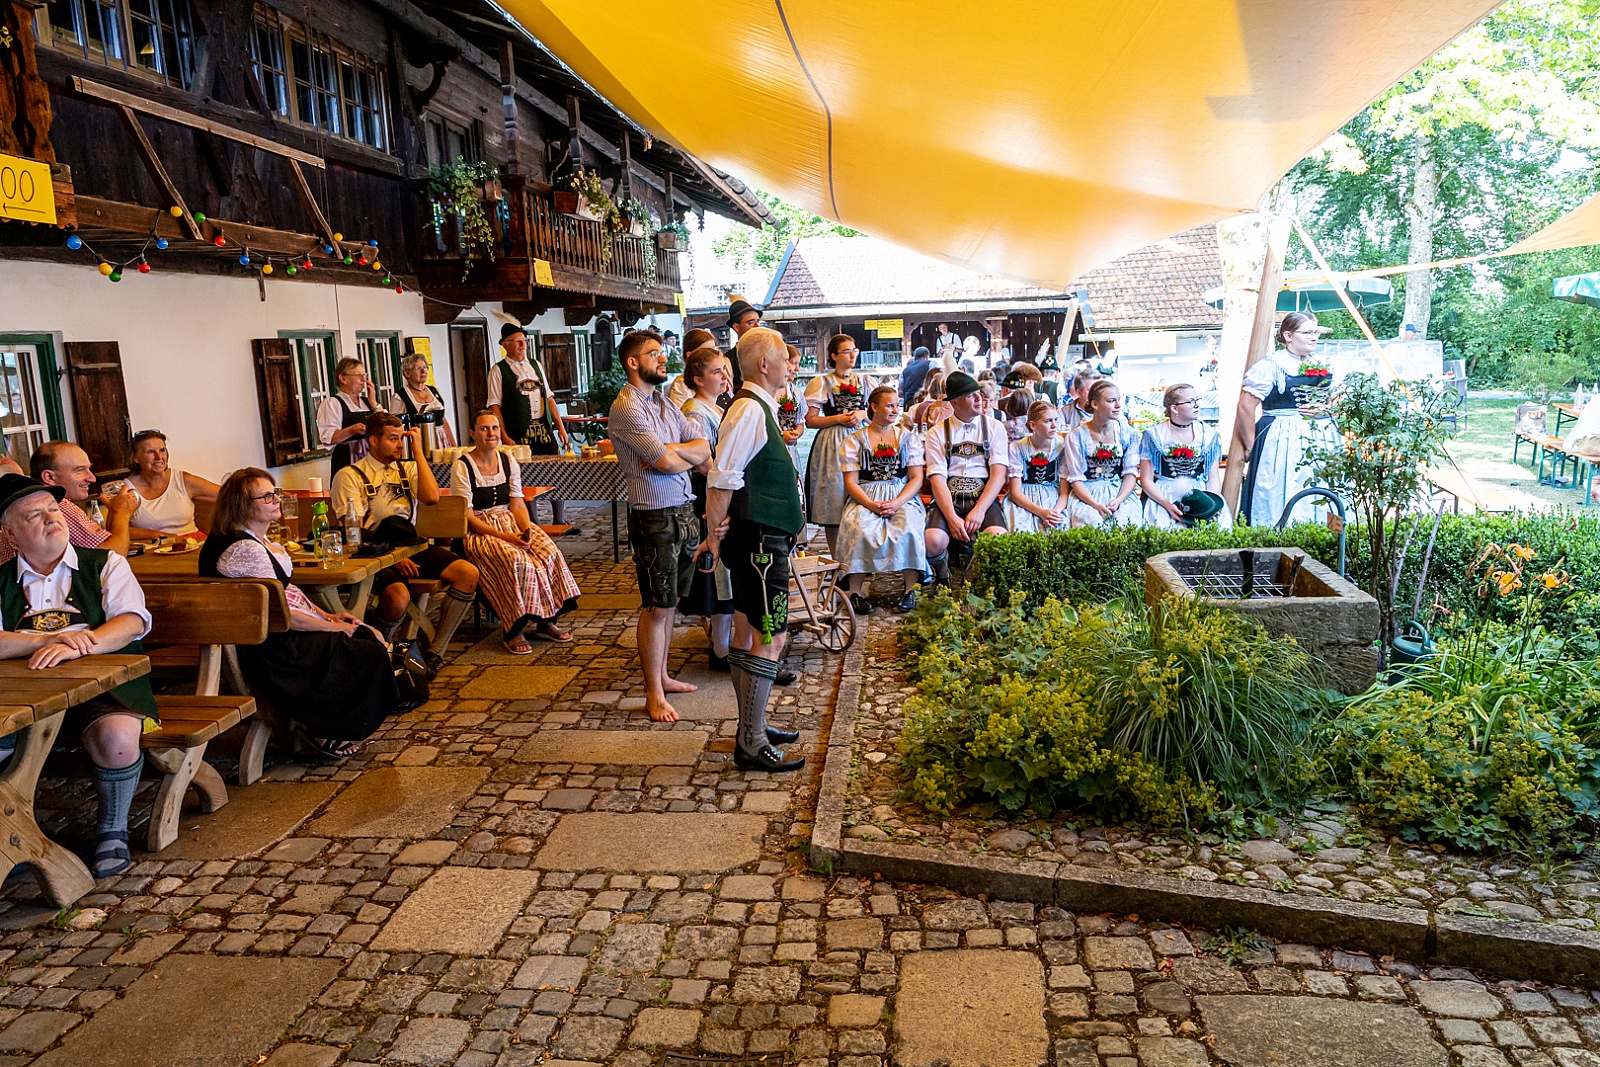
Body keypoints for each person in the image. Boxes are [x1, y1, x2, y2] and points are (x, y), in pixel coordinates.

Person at [0, 472, 155, 877]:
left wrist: (83, 643)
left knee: (116, 737)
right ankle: (10, 836)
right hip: (22, 693)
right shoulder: (0, 579)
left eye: (53, 508)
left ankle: (113, 829)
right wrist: (44, 641)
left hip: (105, 688)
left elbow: (131, 621)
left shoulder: (105, 563)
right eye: (34, 515)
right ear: (11, 533)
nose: (51, 518)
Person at [200, 469, 402, 759]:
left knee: (365, 636)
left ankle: (327, 723)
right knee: (365, 649)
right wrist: (334, 628)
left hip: (272, 633)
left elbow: (287, 593)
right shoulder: (244, 549)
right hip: (270, 648)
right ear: (242, 506)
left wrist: (329, 617)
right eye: (266, 496)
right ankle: (323, 729)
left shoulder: (253, 540)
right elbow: (281, 615)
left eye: (275, 492)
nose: (276, 499)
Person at [703, 327, 805, 773]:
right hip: (760, 544)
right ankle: (751, 741)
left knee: (747, 633)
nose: (790, 366)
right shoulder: (748, 409)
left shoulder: (756, 406)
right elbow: (722, 477)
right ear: (764, 364)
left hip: (758, 539)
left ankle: (754, 724)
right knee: (772, 636)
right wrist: (713, 534)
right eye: (783, 358)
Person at [608, 329, 714, 723]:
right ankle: (653, 693)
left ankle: (664, 676)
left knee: (671, 605)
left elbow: (704, 450)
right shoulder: (627, 407)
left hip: (683, 510)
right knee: (656, 605)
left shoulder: (664, 403)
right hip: (653, 516)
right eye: (654, 353)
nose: (663, 357)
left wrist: (671, 453)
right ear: (633, 362)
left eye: (662, 351)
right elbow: (668, 462)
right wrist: (674, 456)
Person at [330, 413, 480, 652]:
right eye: (393, 439)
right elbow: (354, 531)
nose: (400, 444)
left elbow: (431, 497)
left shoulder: (407, 468)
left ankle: (437, 650)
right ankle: (379, 648)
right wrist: (392, 556)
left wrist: (418, 451)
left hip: (410, 546)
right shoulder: (349, 475)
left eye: (402, 438)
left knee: (468, 574)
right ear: (373, 440)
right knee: (398, 597)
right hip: (372, 553)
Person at [451, 411, 580, 653]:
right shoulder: (463, 466)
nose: (491, 433)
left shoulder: (507, 460)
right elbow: (466, 516)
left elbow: (518, 504)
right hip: (480, 530)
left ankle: (546, 620)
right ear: (473, 433)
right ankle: (513, 628)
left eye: (494, 428)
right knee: (517, 560)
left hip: (509, 521)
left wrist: (526, 530)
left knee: (548, 552)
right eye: (484, 429)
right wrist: (505, 537)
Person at [1236, 310, 1335, 526]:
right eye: (1307, 332)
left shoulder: (1323, 363)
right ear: (1288, 336)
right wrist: (1252, 445)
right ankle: (1279, 533)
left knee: (1323, 486)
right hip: (1281, 438)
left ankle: (1326, 533)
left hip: (1321, 437)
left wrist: (1326, 409)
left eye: (1316, 332)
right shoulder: (1271, 366)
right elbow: (1245, 407)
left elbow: (1333, 401)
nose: (1314, 337)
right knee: (1282, 485)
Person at [836, 386, 926, 614]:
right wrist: (870, 505)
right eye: (890, 406)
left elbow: (916, 478)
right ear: (874, 407)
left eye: (897, 405)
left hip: (900, 494)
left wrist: (898, 502)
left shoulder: (907, 438)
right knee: (858, 528)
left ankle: (911, 588)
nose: (895, 410)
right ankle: (855, 591)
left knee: (909, 526)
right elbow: (851, 482)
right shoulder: (855, 440)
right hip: (866, 495)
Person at [677, 347, 736, 670]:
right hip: (708, 491)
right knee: (718, 573)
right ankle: (721, 650)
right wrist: (723, 488)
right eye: (716, 372)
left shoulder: (714, 407)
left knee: (726, 574)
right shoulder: (695, 412)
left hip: (718, 486)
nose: (723, 376)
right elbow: (702, 460)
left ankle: (724, 645)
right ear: (698, 379)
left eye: (723, 370)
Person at [923, 371, 1009, 585]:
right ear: (955, 402)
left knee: (998, 538)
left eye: (978, 393)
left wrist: (979, 510)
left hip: (983, 494)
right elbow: (937, 479)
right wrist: (951, 518)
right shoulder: (937, 433)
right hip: (948, 495)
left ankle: (970, 576)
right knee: (932, 541)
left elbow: (999, 474)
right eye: (971, 395)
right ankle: (942, 572)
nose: (979, 398)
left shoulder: (995, 427)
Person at [0, 442, 138, 563]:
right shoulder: (57, 506)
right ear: (49, 477)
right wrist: (121, 512)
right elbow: (112, 557)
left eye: (89, 468)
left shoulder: (19, 508)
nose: (92, 478)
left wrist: (115, 512)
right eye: (80, 470)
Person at [804, 334, 870, 551]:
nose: (852, 356)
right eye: (846, 351)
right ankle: (836, 556)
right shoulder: (822, 382)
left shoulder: (865, 381)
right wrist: (838, 419)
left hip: (861, 441)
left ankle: (859, 554)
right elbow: (810, 421)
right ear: (834, 356)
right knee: (834, 498)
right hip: (833, 443)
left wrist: (862, 414)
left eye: (854, 351)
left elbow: (879, 416)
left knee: (862, 494)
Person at [1140, 384, 1232, 529]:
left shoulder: (1207, 434)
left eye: (1197, 400)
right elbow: (1146, 479)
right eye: (1191, 401)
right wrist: (1166, 504)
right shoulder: (1154, 435)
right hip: (1165, 493)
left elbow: (1213, 477)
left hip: (1200, 493)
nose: (1197, 405)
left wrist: (1210, 504)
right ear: (1174, 408)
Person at [113, 430, 220, 539]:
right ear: (135, 458)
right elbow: (115, 530)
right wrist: (159, 535)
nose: (159, 457)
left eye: (162, 450)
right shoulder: (125, 489)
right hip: (152, 546)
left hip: (192, 542)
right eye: (150, 452)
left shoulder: (182, 480)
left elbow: (226, 495)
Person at [1066, 381, 1143, 528]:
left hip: (1120, 492)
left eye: (1119, 399)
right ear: (1095, 404)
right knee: (1091, 521)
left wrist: (1119, 500)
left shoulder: (1127, 433)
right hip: (1087, 494)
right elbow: (1076, 479)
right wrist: (1095, 504)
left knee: (1126, 520)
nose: (1118, 405)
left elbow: (1130, 474)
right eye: (1111, 401)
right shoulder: (1076, 436)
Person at [488, 322, 570, 456]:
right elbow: (494, 406)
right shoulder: (498, 370)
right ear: (505, 344)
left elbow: (549, 398)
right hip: (517, 435)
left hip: (545, 433)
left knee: (554, 466)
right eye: (517, 341)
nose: (523, 344)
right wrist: (503, 436)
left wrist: (561, 427)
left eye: (524, 340)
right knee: (523, 468)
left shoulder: (536, 365)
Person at [1004, 401, 1070, 533]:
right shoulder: (1017, 448)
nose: (1054, 425)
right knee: (1023, 530)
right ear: (1033, 425)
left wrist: (1055, 513)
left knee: (1060, 530)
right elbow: (1015, 492)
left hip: (1054, 498)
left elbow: (1064, 492)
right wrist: (1041, 512)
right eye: (1048, 421)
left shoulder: (1062, 448)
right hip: (1024, 499)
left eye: (1055, 420)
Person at [317, 357, 378, 478]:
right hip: (347, 459)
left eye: (364, 375)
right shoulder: (333, 403)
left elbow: (388, 426)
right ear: (343, 378)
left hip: (371, 458)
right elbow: (328, 438)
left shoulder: (368, 402)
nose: (364, 379)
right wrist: (352, 430)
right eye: (358, 375)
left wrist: (374, 404)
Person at [389, 352, 457, 459]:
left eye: (425, 367)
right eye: (418, 368)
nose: (423, 371)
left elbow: (443, 420)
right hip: (420, 444)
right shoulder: (400, 397)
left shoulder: (434, 391)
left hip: (442, 442)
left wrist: (454, 445)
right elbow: (395, 427)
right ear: (407, 373)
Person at [776, 345, 806, 471]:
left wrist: (796, 433)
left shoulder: (795, 393)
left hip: (790, 449)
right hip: (772, 447)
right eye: (794, 363)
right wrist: (781, 435)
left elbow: (800, 423)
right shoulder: (768, 391)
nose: (796, 368)